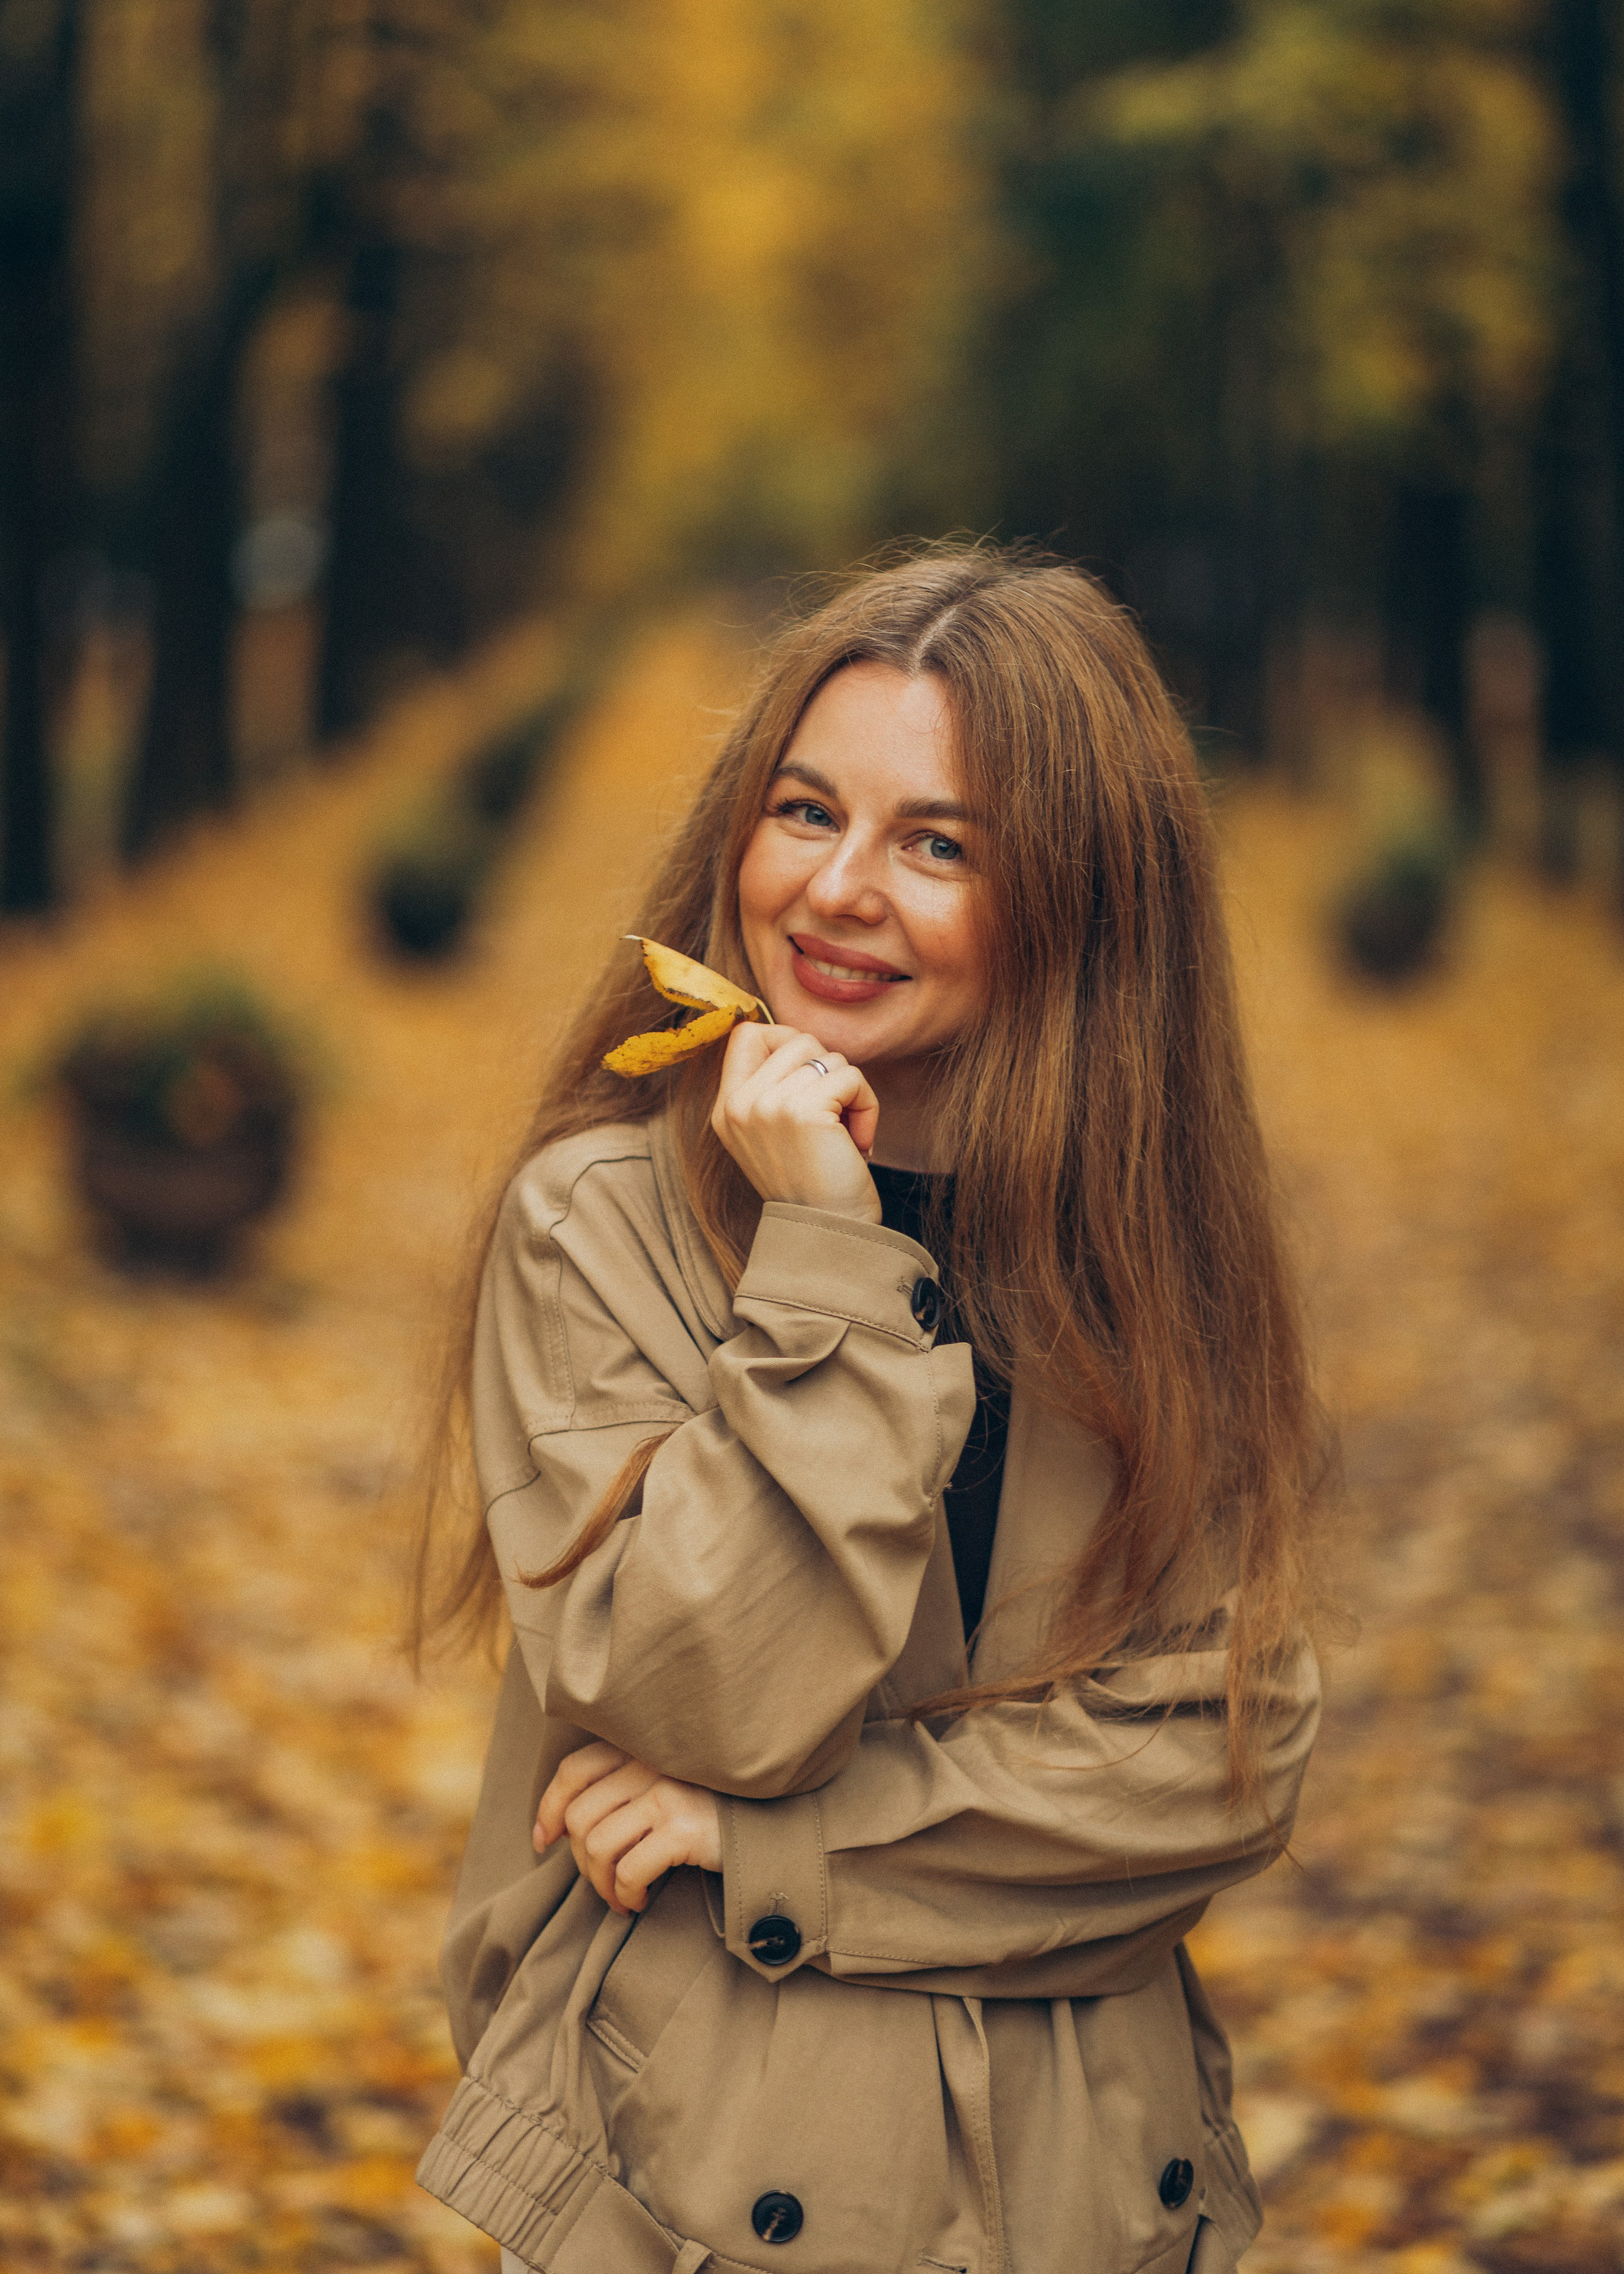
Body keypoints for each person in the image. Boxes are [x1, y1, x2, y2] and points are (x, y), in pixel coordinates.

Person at [411, 544, 1330, 2274]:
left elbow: (1221, 1761)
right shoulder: (598, 1225)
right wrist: (825, 1251)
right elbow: (702, 1693)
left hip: (1086, 2192)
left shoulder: (1146, 1252)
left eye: (938, 844)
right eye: (803, 811)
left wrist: (782, 1847)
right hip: (705, 2183)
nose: (836, 891)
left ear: (1077, 896)